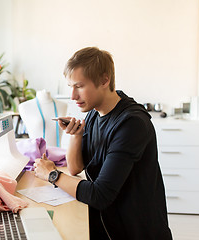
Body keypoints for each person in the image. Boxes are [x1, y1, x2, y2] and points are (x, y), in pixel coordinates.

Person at [33, 47, 173, 239]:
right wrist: (77, 136)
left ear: (104, 80)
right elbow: (75, 169)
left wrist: (52, 174)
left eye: (79, 86)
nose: (73, 96)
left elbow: (100, 195)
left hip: (135, 231)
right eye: (70, 87)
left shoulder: (131, 124)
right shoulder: (95, 112)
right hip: (107, 223)